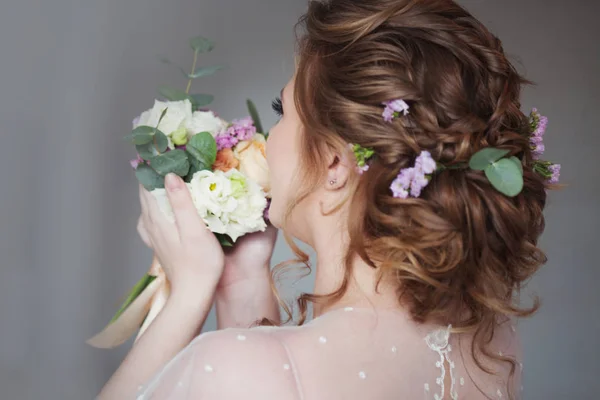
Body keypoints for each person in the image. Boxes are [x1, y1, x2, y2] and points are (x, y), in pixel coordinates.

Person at [99, 0, 555, 398]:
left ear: (336, 164)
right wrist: (240, 284)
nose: (267, 136)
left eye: (282, 112)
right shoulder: (491, 343)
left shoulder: (234, 368)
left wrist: (190, 290)